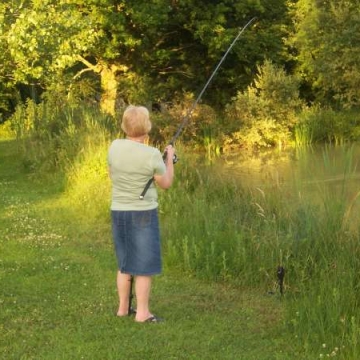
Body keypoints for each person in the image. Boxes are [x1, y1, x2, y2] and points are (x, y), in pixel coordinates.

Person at [108, 105, 175, 323]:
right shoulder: (152, 154)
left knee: (125, 262)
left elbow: (113, 173)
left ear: (124, 126)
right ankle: (143, 313)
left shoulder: (114, 146)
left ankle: (122, 308)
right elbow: (165, 183)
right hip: (143, 214)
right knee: (144, 266)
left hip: (118, 211)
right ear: (147, 128)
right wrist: (169, 159)